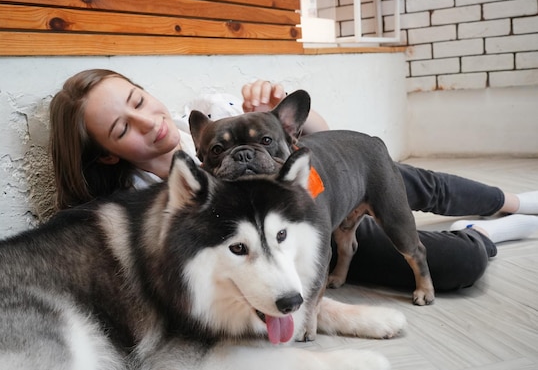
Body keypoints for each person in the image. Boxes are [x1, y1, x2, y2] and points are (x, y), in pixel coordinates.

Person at [49, 69, 538, 292]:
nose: (145, 121)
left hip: (327, 179)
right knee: (454, 262)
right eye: (121, 129)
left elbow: (317, 136)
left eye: (137, 100)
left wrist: (281, 106)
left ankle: (512, 201)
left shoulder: (215, 117)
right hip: (305, 230)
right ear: (109, 157)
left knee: (414, 180)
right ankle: (488, 234)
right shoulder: (145, 198)